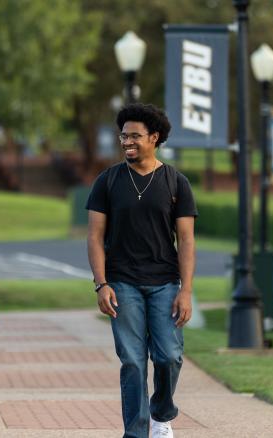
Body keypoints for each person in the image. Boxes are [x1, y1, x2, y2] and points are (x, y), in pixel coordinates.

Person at [86, 103, 198, 438]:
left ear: (155, 138)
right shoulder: (107, 181)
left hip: (165, 283)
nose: (127, 141)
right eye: (124, 135)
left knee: (169, 357)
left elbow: (187, 240)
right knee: (133, 361)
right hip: (122, 284)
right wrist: (101, 283)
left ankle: (161, 414)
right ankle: (135, 432)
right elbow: (94, 236)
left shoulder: (176, 182)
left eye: (135, 136)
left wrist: (186, 290)